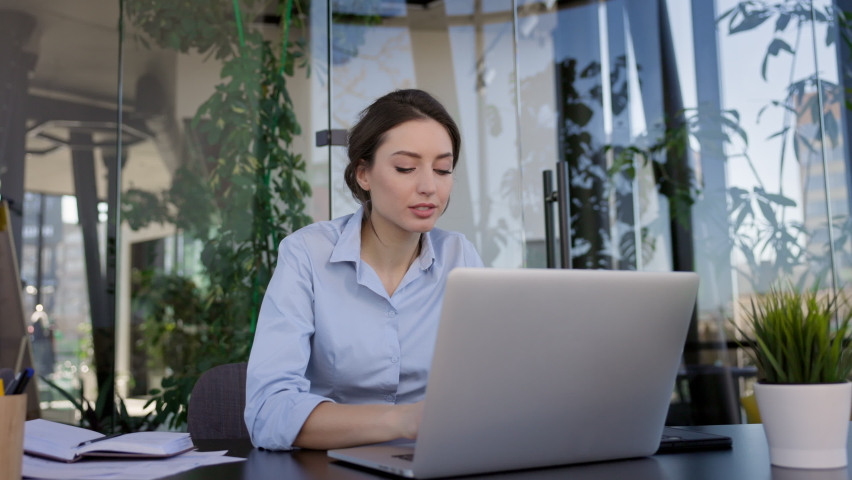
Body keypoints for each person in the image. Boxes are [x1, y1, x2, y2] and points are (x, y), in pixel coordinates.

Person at [244, 89, 484, 451]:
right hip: (327, 469)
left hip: (437, 463)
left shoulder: (460, 257)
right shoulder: (307, 255)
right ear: (363, 174)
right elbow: (268, 411)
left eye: (442, 169)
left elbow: (491, 387)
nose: (429, 187)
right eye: (405, 168)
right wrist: (404, 420)